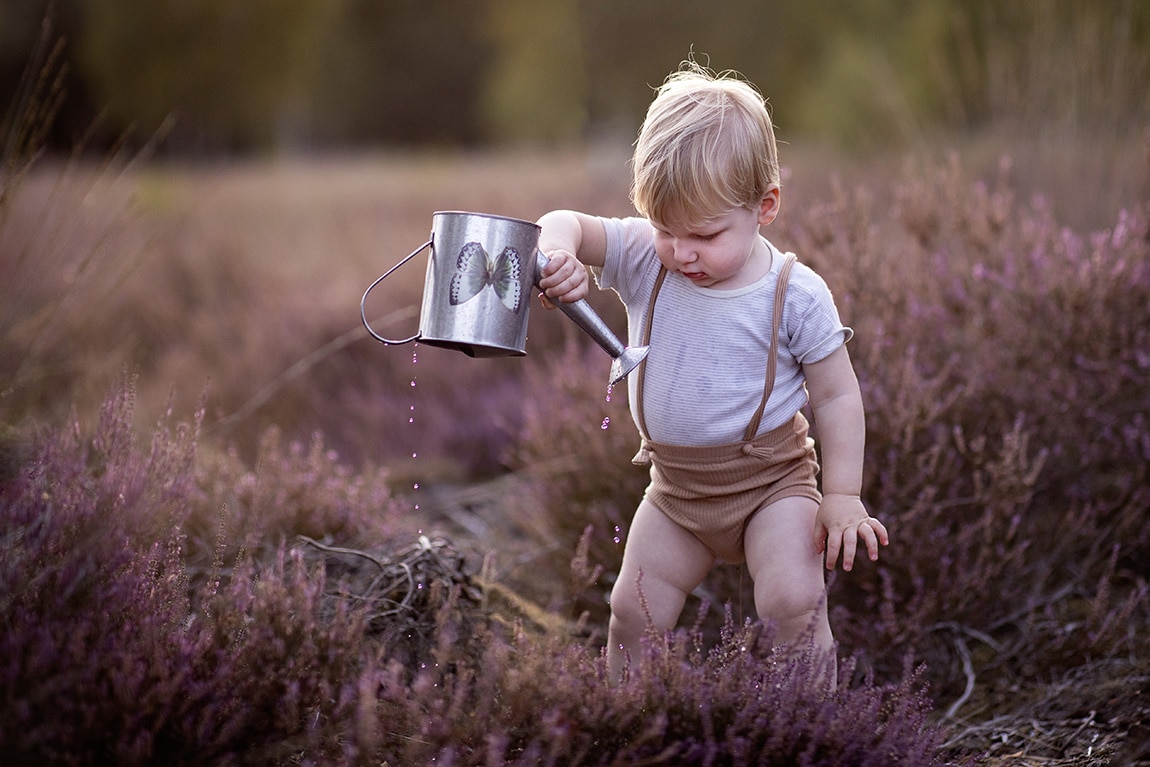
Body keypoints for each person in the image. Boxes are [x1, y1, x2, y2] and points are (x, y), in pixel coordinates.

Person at [534, 60, 889, 685]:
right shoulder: (649, 256)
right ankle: (621, 725)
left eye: (703, 233)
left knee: (792, 607)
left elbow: (837, 398)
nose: (682, 251)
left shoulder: (794, 293)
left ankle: (814, 732)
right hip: (676, 492)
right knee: (631, 612)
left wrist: (841, 496)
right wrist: (556, 252)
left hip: (771, 484)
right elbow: (566, 225)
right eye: (666, 229)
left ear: (766, 205)